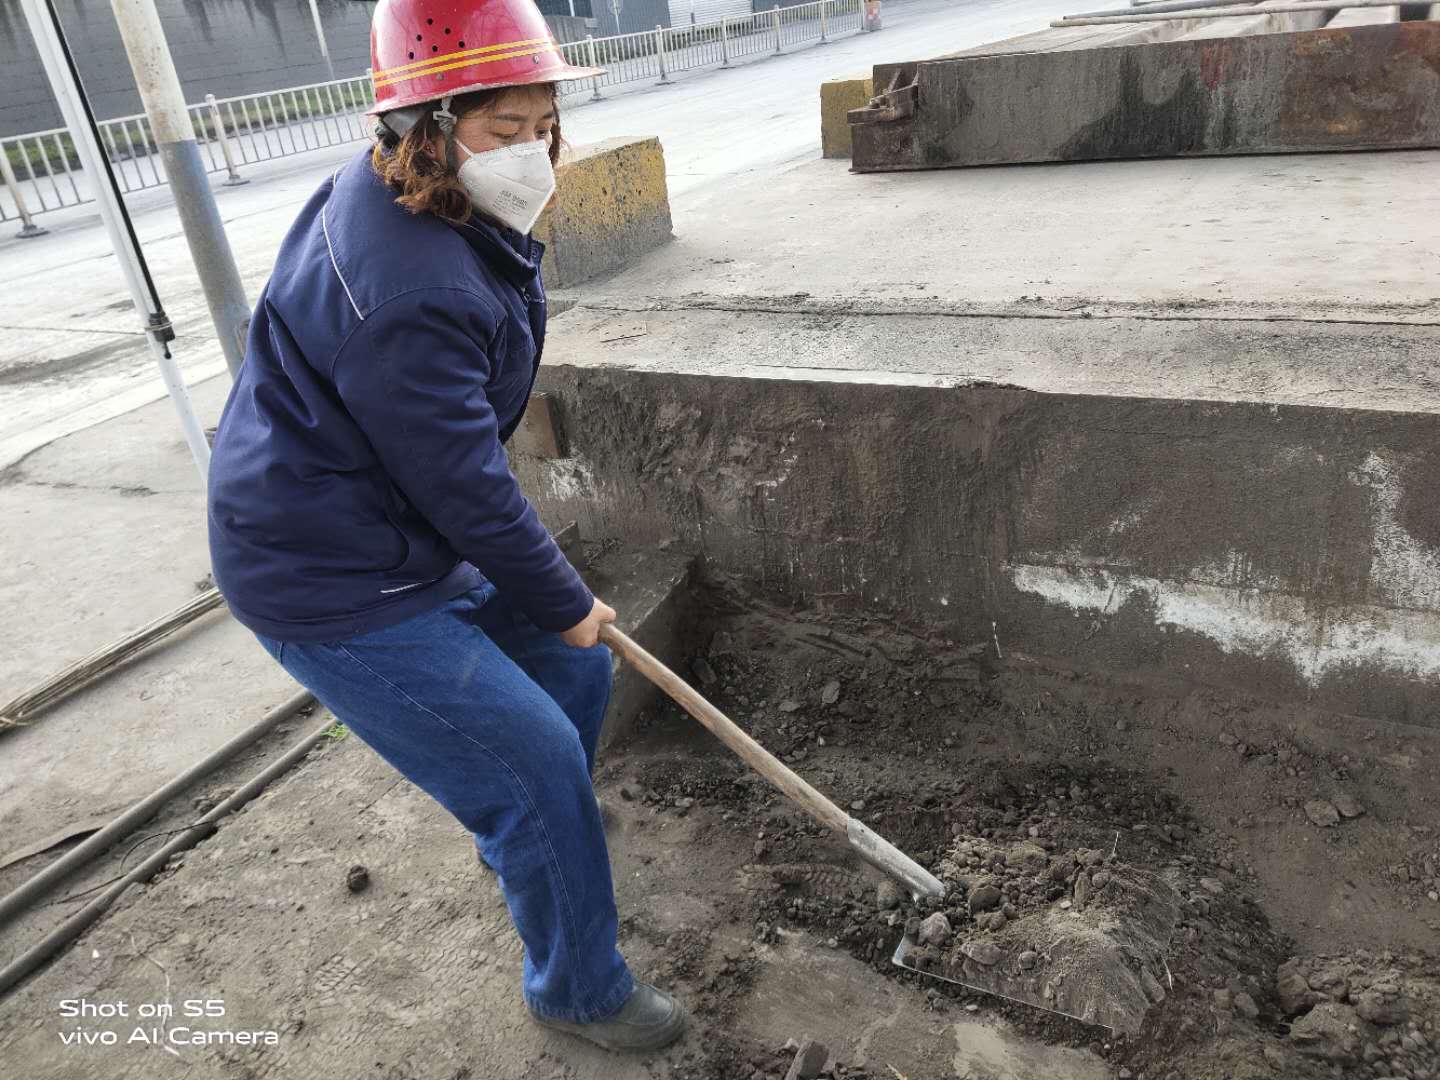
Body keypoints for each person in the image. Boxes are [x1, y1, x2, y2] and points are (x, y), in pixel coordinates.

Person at [205, 0, 686, 1053]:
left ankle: (528, 837)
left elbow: (448, 472)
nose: (528, 155)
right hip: (328, 574)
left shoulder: (430, 207)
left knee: (579, 674)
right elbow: (466, 485)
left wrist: (562, 618)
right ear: (426, 130)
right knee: (531, 761)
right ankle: (579, 991)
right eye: (498, 132)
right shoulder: (409, 281)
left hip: (392, 526)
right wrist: (564, 596)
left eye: (538, 127)